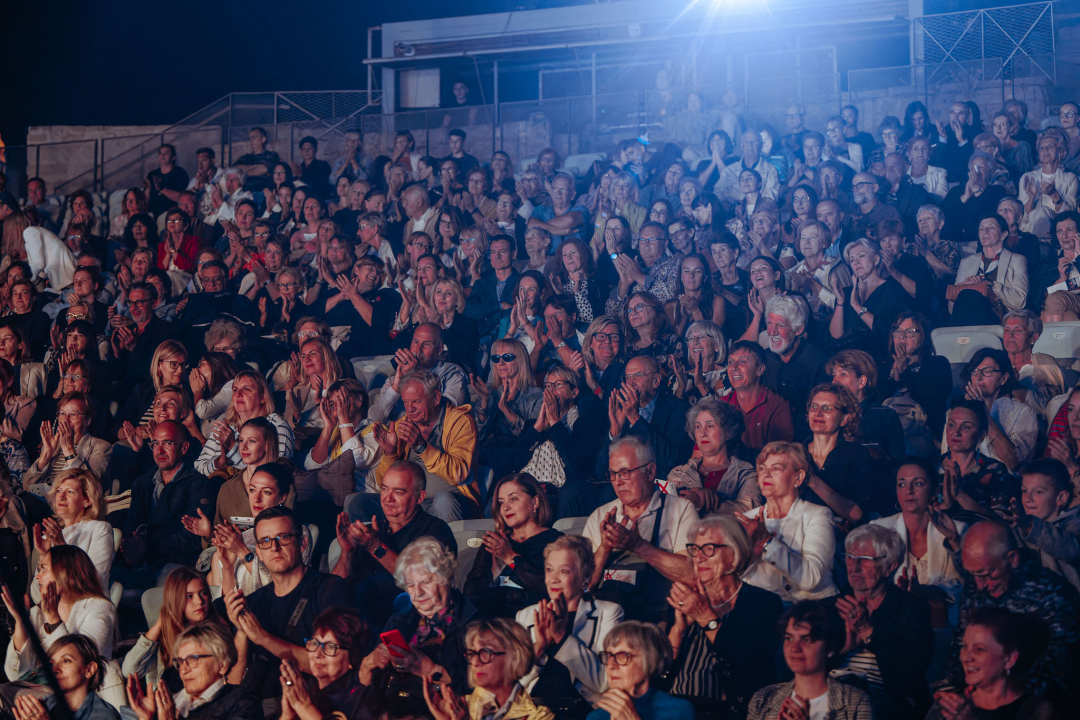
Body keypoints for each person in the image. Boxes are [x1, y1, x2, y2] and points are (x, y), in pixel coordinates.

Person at [222, 506, 351, 701]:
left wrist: (263, 638)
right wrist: (241, 632)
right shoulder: (254, 602)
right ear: (259, 552)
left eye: (283, 537)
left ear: (302, 543)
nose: (274, 547)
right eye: (265, 541)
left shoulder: (328, 589)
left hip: (310, 701)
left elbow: (333, 665)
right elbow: (234, 684)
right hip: (255, 705)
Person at [665, 515, 783, 719]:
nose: (699, 557)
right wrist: (677, 632)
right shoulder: (685, 597)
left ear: (734, 554)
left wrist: (705, 618)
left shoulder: (764, 603)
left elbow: (751, 668)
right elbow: (659, 670)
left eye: (709, 548)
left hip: (729, 712)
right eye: (695, 548)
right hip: (674, 707)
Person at [954, 521, 1080, 694]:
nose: (979, 585)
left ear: (1012, 559)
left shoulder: (1054, 595)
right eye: (973, 574)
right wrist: (956, 691)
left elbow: (1060, 667)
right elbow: (959, 646)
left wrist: (1006, 695)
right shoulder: (975, 590)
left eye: (987, 574)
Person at [827, 524, 934, 720]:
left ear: (890, 567)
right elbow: (794, 670)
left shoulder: (912, 609)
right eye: (850, 557)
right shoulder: (830, 607)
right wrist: (840, 651)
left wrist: (868, 632)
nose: (854, 567)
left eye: (865, 560)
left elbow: (909, 676)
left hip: (892, 709)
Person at [359, 537, 476, 715]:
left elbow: (478, 690)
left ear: (446, 578)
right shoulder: (399, 621)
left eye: (425, 582)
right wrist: (369, 664)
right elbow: (365, 689)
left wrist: (431, 670)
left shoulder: (472, 624)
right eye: (411, 585)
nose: (418, 593)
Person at [585, 435, 696, 623]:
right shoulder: (600, 516)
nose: (618, 481)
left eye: (624, 472)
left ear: (650, 471)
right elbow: (584, 587)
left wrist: (639, 546)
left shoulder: (681, 510)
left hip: (658, 622)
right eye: (613, 474)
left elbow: (691, 574)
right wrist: (604, 549)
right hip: (607, 623)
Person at [339, 459, 456, 629]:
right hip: (356, 622)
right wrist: (347, 551)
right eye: (384, 489)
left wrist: (376, 548)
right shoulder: (373, 531)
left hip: (405, 624)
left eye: (398, 492)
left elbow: (424, 587)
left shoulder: (435, 531)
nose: (388, 498)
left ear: (419, 497)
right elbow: (338, 587)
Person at [2, 545, 124, 707]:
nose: (37, 576)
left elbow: (84, 657)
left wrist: (54, 622)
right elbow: (15, 674)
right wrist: (20, 623)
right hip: (43, 694)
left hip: (84, 699)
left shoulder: (100, 607)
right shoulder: (37, 613)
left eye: (44, 569)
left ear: (64, 572)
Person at [514, 534, 622, 713]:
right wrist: (539, 648)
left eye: (564, 571)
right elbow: (513, 684)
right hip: (532, 711)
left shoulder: (608, 613)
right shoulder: (526, 616)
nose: (554, 579)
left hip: (582, 711)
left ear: (586, 576)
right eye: (549, 570)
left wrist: (562, 638)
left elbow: (603, 682)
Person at [371, 370, 480, 522]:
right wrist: (390, 454)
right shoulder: (402, 426)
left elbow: (459, 474)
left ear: (436, 397)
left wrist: (421, 447)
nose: (410, 409)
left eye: (416, 401)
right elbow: (382, 483)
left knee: (443, 500)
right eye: (405, 402)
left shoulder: (461, 422)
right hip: (410, 502)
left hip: (453, 501)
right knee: (357, 502)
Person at [118, 421, 215, 590]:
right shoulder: (142, 483)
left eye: (168, 443)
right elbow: (132, 523)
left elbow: (192, 537)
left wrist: (148, 546)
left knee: (166, 587)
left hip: (176, 563)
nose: (160, 450)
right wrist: (130, 544)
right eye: (155, 443)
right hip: (141, 562)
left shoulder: (198, 484)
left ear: (184, 448)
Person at [738, 442, 837, 602]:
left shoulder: (817, 515)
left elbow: (811, 578)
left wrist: (767, 543)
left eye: (776, 468)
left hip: (808, 609)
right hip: (762, 609)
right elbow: (737, 577)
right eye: (762, 468)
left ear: (799, 477)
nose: (766, 474)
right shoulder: (747, 518)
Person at [746, 601, 873, 720]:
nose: (795, 648)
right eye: (789, 638)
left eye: (807, 640)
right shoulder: (763, 698)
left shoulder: (856, 702)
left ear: (830, 648)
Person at [928, 608, 1059, 720]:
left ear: (1010, 659)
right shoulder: (951, 704)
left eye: (979, 649)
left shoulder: (1037, 711)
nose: (966, 657)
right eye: (964, 646)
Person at [871, 457, 966, 612]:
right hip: (892, 615)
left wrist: (928, 592)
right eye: (902, 484)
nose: (908, 490)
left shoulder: (957, 530)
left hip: (941, 617)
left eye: (918, 483)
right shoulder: (878, 529)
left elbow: (962, 581)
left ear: (934, 492)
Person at [464, 473, 561, 617]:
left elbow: (552, 591)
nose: (505, 507)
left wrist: (510, 558)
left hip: (535, 621)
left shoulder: (556, 541)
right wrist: (493, 573)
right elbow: (470, 596)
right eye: (501, 502)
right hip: (492, 622)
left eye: (513, 499)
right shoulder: (495, 542)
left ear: (535, 502)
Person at [422, 618, 554, 720]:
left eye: (485, 652)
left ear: (513, 657)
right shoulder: (462, 706)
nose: (475, 662)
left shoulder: (539, 715)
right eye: (472, 653)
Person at [126, 621, 260, 720]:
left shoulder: (242, 702)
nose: (183, 669)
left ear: (222, 664)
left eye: (193, 659)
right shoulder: (168, 704)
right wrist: (146, 718)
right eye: (180, 661)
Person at [122, 567, 221, 689]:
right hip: (167, 698)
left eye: (203, 593)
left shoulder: (218, 632)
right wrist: (158, 626)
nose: (199, 601)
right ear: (176, 600)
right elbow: (129, 671)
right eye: (189, 596)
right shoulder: (166, 638)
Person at [598, 355, 692, 481]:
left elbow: (670, 460)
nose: (631, 383)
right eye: (627, 377)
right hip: (624, 483)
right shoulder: (621, 411)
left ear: (656, 381)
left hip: (658, 485)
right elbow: (601, 471)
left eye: (638, 376)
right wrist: (615, 433)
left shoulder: (678, 408)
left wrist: (635, 418)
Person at [664, 397, 759, 516]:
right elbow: (666, 515)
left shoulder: (745, 473)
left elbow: (751, 511)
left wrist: (711, 503)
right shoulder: (678, 474)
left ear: (728, 431)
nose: (702, 433)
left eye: (710, 426)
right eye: (698, 427)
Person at [586, 620, 694, 720]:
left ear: (650, 660)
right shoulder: (597, 717)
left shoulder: (678, 710)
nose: (610, 665)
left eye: (622, 655)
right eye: (609, 655)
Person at [193, 370, 293, 476]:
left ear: (262, 397)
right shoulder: (226, 426)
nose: (238, 394)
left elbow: (275, 474)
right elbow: (198, 467)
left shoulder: (277, 425)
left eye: (246, 389)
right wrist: (220, 462)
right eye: (235, 390)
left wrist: (232, 447)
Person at [276, 607, 369, 720]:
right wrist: (287, 716)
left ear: (353, 657)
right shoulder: (306, 691)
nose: (317, 654)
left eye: (330, 646)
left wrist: (304, 707)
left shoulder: (363, 701)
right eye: (314, 643)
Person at [803, 382, 877, 523]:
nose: (818, 413)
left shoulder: (857, 456)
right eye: (814, 406)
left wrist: (813, 481)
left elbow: (856, 514)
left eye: (826, 408)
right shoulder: (795, 452)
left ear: (844, 418)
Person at [956, 348, 1037, 472]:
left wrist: (983, 413)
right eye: (974, 371)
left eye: (987, 371)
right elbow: (948, 457)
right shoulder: (957, 412)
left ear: (1004, 378)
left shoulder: (1023, 413)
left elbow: (1015, 464)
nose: (978, 378)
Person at [1007, 458, 1080, 592]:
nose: (1028, 499)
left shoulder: (1075, 524)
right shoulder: (1019, 527)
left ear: (1061, 498)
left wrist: (1030, 525)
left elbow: (1071, 549)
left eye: (1038, 492)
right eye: (1024, 491)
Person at [763, 295, 830, 438]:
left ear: (798, 329)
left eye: (780, 325)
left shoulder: (818, 361)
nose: (772, 332)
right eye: (769, 323)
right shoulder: (764, 358)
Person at [878, 311, 953, 436]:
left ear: (922, 336)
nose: (902, 337)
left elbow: (932, 403)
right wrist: (895, 379)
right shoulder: (884, 366)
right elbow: (877, 402)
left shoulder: (938, 364)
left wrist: (905, 373)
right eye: (897, 331)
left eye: (909, 331)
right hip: (887, 432)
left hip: (923, 433)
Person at [826, 349, 906, 464]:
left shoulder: (884, 416)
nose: (834, 381)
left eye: (843, 374)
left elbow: (895, 461)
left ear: (862, 381)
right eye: (834, 375)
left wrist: (861, 447)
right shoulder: (829, 413)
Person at [23, 392, 110, 496]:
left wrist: (69, 450)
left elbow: (89, 487)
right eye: (62, 413)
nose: (66, 420)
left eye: (73, 414)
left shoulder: (101, 447)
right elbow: (27, 487)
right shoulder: (54, 444)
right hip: (42, 500)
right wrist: (46, 454)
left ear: (87, 421)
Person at [1018, 130, 1078, 240]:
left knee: (1042, 211)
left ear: (1060, 153)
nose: (1045, 150)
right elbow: (1023, 218)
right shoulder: (1028, 178)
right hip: (1031, 230)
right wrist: (1031, 197)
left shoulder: (1070, 179)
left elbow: (1070, 214)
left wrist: (1054, 195)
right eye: (1042, 147)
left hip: (1060, 230)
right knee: (1040, 212)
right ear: (1039, 155)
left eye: (1050, 146)